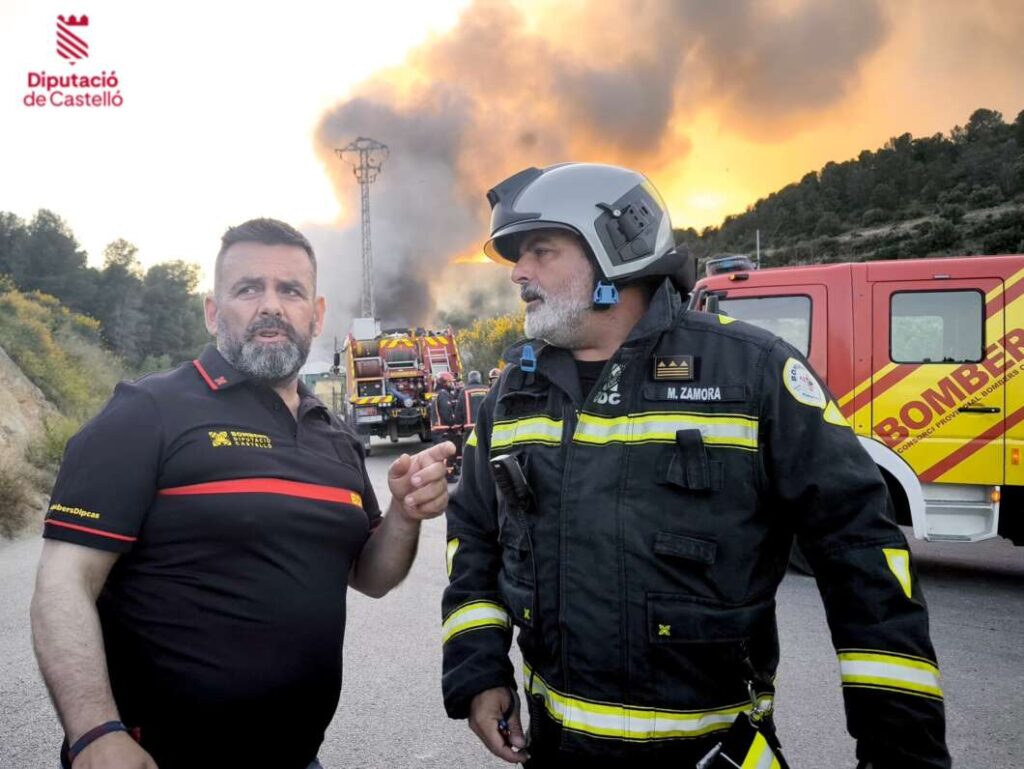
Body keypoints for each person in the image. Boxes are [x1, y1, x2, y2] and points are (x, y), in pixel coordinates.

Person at [441, 164, 949, 768]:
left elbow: (862, 560)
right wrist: (478, 671)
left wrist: (901, 751)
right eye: (518, 257)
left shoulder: (754, 374)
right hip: (557, 751)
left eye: (542, 251)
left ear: (617, 249)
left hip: (714, 755)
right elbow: (473, 536)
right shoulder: (512, 393)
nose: (519, 273)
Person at [30, 218, 454, 769]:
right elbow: (64, 582)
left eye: (290, 290)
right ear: (213, 311)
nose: (271, 305)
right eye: (248, 288)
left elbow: (370, 576)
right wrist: (93, 734)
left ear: (316, 314)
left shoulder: (335, 436)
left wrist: (404, 512)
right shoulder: (146, 412)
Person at [435, 371, 462, 481]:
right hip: (444, 429)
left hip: (442, 429)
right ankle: (448, 476)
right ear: (444, 383)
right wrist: (454, 423)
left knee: (450, 453)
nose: (452, 384)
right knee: (447, 454)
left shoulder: (441, 393)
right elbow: (446, 413)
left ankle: (452, 471)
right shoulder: (443, 394)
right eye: (450, 382)